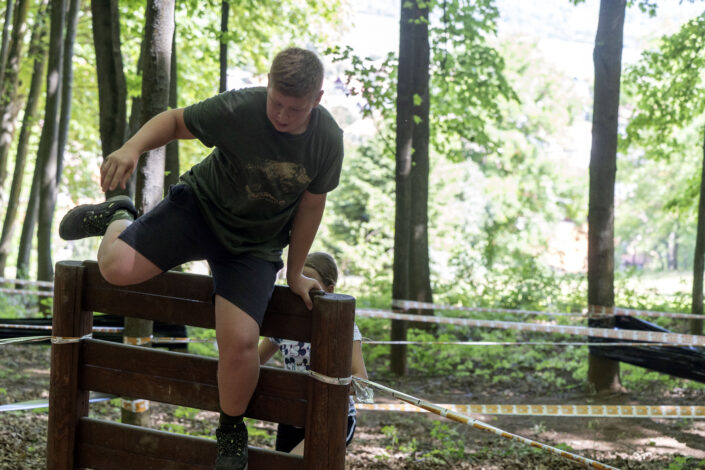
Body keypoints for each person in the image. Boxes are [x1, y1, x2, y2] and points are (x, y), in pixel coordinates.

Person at [58, 47, 343, 470]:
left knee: (240, 343)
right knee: (114, 268)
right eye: (276, 102)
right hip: (199, 210)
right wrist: (131, 149)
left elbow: (311, 206)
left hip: (253, 246)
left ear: (317, 99)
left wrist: (296, 272)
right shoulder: (240, 108)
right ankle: (119, 213)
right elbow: (175, 121)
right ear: (267, 85)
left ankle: (230, 428)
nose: (282, 115)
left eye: (295, 108)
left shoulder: (327, 140)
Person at [258, 252, 367, 455]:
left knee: (297, 463)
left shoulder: (344, 328)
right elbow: (254, 361)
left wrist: (328, 387)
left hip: (333, 417)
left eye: (310, 284)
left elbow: (362, 380)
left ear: (329, 290)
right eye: (296, 284)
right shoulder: (285, 326)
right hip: (293, 416)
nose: (301, 291)